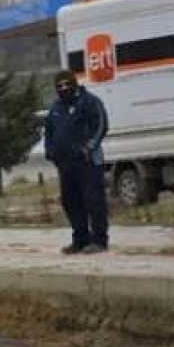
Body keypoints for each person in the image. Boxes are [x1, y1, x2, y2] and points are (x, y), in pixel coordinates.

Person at [45, 69, 110, 254]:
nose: (64, 89)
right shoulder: (56, 108)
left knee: (94, 201)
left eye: (67, 84)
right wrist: (51, 153)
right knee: (71, 202)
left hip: (88, 162)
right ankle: (80, 239)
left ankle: (99, 240)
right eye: (60, 86)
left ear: (74, 84)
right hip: (65, 164)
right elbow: (49, 132)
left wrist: (89, 147)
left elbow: (101, 125)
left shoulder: (89, 102)